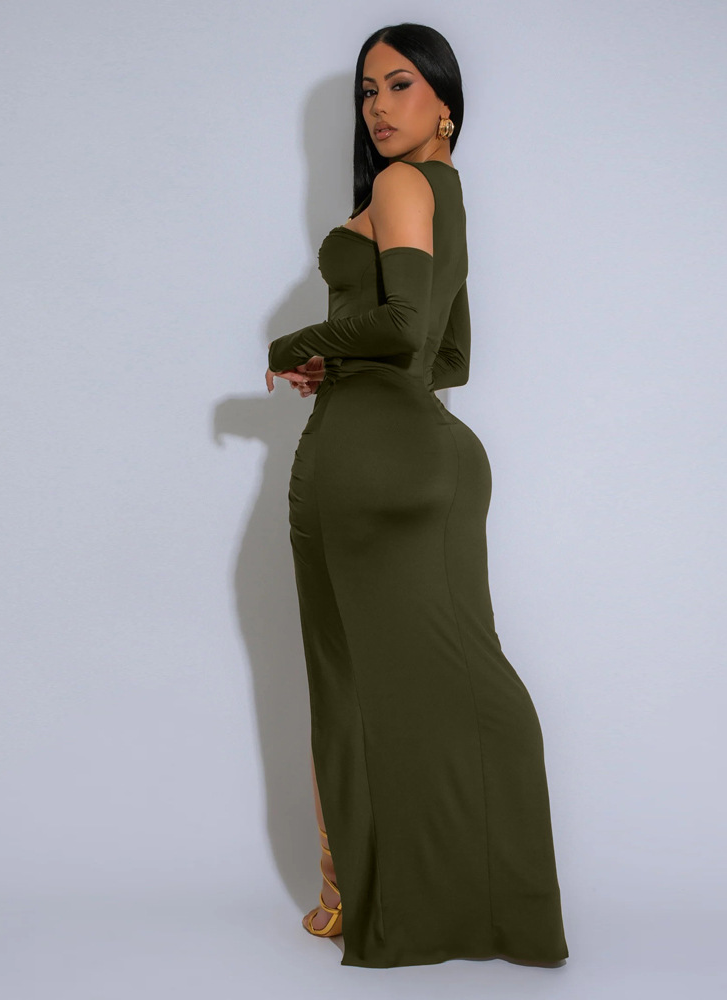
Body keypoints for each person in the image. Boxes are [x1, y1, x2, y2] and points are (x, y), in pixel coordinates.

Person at [265, 23, 569, 969]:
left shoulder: (399, 186)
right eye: (367, 91)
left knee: (349, 680)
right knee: (462, 673)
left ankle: (360, 897)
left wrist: (297, 346)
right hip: (431, 450)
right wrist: (343, 360)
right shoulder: (447, 193)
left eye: (400, 85)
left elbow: (401, 328)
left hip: (367, 458)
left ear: (446, 103)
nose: (378, 107)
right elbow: (450, 355)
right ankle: (501, 903)